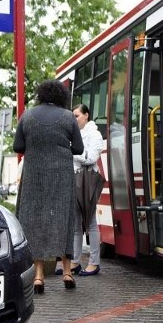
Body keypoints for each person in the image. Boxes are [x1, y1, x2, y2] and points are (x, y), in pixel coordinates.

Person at [13, 79, 84, 294]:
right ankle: (67, 272)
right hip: (62, 176)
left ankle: (38, 276)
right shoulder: (67, 117)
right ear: (62, 97)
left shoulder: (27, 115)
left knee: (34, 220)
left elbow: (18, 146)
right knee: (64, 219)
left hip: (34, 175)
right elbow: (79, 148)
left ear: (41, 95)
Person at [55, 103, 104, 276]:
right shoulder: (74, 135)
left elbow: (91, 158)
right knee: (75, 224)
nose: (74, 119)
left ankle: (94, 262)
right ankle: (75, 262)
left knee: (90, 222)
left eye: (77, 116)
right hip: (74, 180)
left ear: (86, 116)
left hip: (87, 181)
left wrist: (70, 152)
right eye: (73, 116)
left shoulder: (95, 134)